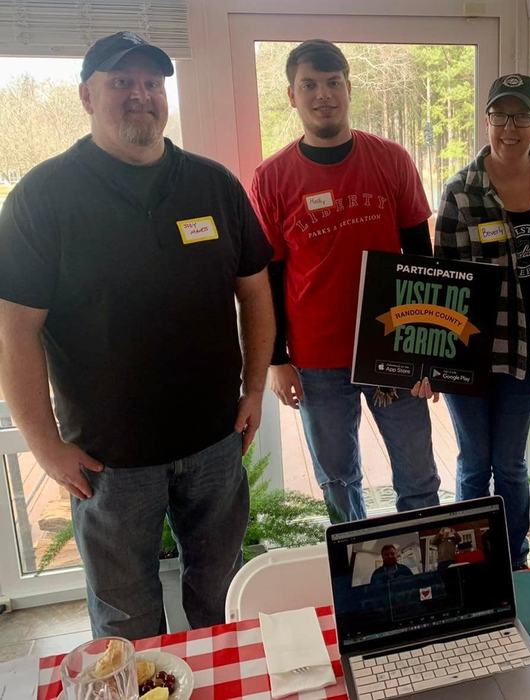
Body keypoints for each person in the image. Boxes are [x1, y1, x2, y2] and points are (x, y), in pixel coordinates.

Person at [0, 32, 275, 639]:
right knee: (126, 616)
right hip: (108, 460)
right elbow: (14, 331)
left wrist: (254, 389)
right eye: (121, 82)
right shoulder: (42, 198)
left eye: (152, 83)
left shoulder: (214, 186)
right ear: (86, 96)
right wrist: (44, 444)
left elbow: (255, 291)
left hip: (213, 443)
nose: (140, 96)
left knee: (222, 594)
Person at [250, 39, 440, 524]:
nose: (323, 95)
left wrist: (427, 349)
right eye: (309, 84)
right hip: (316, 359)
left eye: (333, 83)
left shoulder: (391, 160)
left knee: (418, 476)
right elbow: (267, 277)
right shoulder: (272, 178)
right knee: (337, 480)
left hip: (392, 349)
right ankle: (361, 578)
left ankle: (430, 582)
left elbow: (421, 257)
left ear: (348, 88)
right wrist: (277, 360)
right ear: (292, 95)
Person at [434, 74, 530, 569]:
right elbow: (445, 285)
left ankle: (514, 562)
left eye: (520, 116)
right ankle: (472, 566)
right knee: (474, 465)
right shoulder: (460, 190)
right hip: (469, 358)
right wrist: (435, 362)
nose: (509, 127)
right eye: (499, 116)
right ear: (486, 120)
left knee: (510, 465)